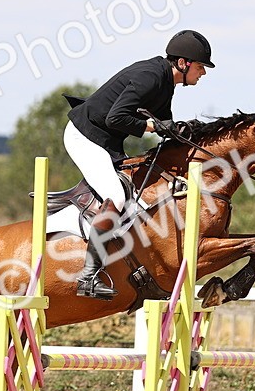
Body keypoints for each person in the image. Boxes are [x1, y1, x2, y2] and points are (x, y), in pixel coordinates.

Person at [64, 29, 214, 299]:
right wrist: (149, 126)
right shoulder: (150, 77)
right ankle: (87, 277)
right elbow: (115, 118)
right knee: (117, 197)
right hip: (85, 136)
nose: (203, 73)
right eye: (201, 67)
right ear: (183, 63)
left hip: (106, 141)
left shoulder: (166, 82)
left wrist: (182, 130)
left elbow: (164, 123)